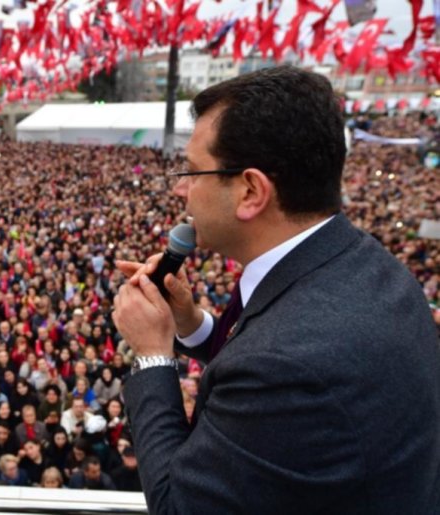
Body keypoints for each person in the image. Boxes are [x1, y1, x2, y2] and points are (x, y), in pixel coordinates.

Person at [112, 66, 440, 513]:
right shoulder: (369, 266)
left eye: (193, 171)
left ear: (251, 191)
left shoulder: (288, 366)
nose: (181, 189)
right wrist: (189, 323)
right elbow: (268, 344)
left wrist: (153, 353)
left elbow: (177, 506)